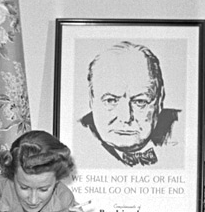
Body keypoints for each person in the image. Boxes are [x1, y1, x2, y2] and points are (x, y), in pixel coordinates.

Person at [74, 41, 185, 169]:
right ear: (91, 100)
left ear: (160, 101)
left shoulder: (186, 129)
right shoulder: (74, 137)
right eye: (111, 101)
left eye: (140, 102)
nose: (126, 118)